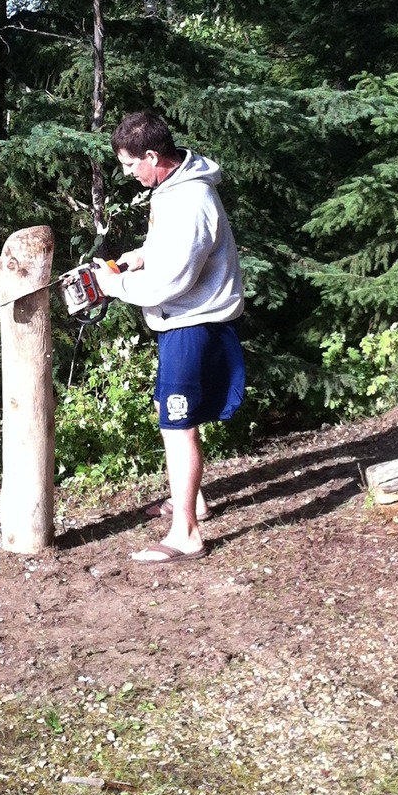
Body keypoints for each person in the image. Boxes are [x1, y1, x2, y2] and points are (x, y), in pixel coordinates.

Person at [94, 111, 245, 562]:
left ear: (152, 155)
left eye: (129, 164)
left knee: (178, 426)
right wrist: (138, 257)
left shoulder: (191, 199)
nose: (127, 173)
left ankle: (187, 535)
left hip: (194, 323)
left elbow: (174, 280)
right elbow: (172, 249)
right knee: (168, 409)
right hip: (179, 323)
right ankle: (192, 502)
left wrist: (114, 285)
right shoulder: (171, 188)